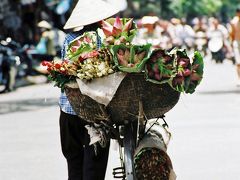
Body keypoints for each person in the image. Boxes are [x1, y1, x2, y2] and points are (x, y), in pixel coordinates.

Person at [59, 0, 122, 179]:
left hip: (68, 109)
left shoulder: (69, 39)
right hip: (96, 112)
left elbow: (65, 69)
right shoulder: (105, 41)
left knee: (73, 162)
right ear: (101, 20)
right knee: (94, 167)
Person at [229, 6, 240, 86]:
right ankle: (239, 79)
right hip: (237, 42)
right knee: (238, 62)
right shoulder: (234, 22)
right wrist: (232, 44)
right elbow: (232, 34)